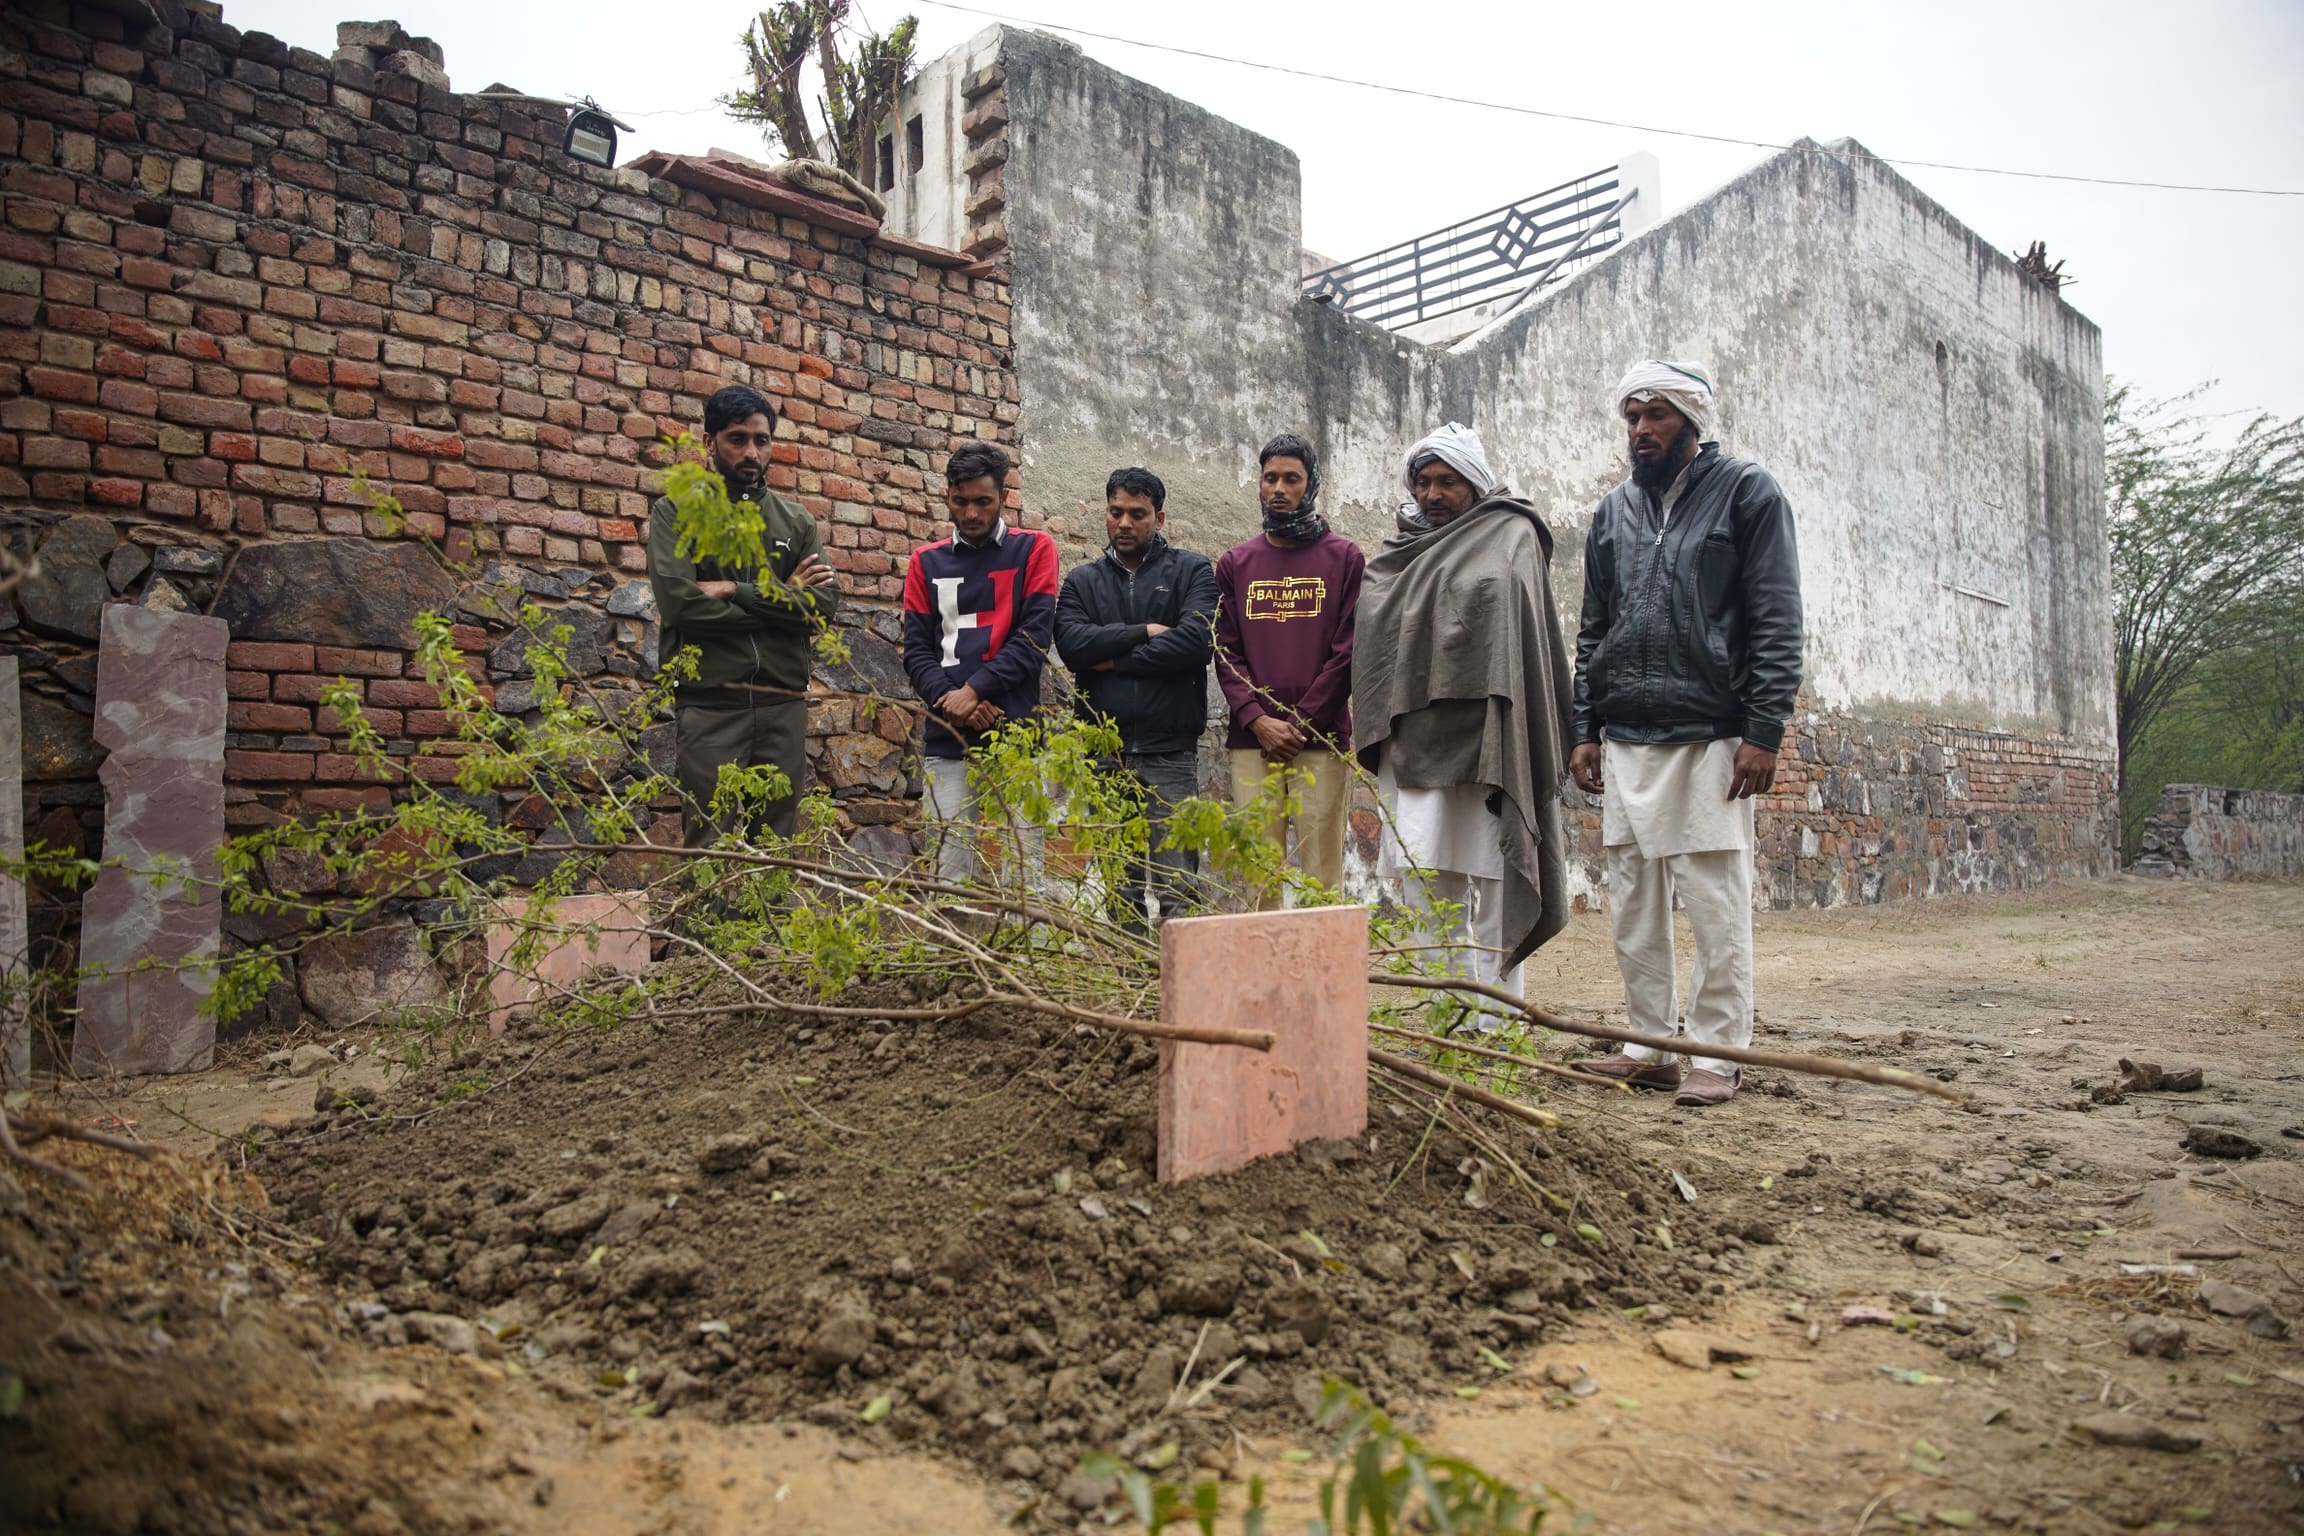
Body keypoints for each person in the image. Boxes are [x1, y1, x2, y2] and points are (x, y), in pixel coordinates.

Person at [1568, 361, 1804, 1106]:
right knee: (1634, 903)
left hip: (1712, 733)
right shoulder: (1612, 513)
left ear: (1691, 423)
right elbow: (1592, 629)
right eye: (1632, 417)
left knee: (1713, 898)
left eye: (1656, 416)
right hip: (1628, 734)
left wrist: (1763, 728)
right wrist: (1584, 726)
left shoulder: (1748, 493)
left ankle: (1716, 1048)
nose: (1641, 430)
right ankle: (1649, 1044)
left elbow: (1777, 617)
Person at [1353, 423, 1573, 1010]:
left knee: (1500, 874)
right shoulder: (1396, 555)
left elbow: (1516, 622)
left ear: (1473, 483)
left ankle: (1499, 1017)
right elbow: (1376, 632)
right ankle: (1446, 1009)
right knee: (1429, 878)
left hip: (1494, 736)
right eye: (1422, 482)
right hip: (1418, 741)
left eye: (1446, 482)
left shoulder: (1512, 534)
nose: (1431, 494)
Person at [649, 383, 839, 845]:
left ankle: (770, 919)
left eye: (761, 439)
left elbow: (821, 611)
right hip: (711, 705)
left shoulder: (796, 522)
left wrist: (738, 590)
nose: (751, 451)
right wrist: (781, 599)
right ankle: (700, 923)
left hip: (781, 705)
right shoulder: (676, 513)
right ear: (710, 442)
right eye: (737, 439)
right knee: (708, 843)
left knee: (774, 845)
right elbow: (681, 605)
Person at [1055, 467, 1219, 928]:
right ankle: (1132, 988)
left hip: (1169, 751)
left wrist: (1112, 659)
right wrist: (1142, 632)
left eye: (1137, 514)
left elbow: (1195, 641)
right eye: (1116, 512)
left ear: (1159, 518)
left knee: (1176, 885)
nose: (1124, 523)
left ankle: (1183, 989)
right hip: (1104, 752)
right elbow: (1072, 645)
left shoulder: (1192, 570)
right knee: (1119, 887)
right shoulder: (1082, 582)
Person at [1214, 433, 1364, 907]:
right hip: (1252, 742)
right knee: (1259, 872)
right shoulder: (1236, 564)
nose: (1279, 488)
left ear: (1311, 485)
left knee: (1323, 871)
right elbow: (1224, 649)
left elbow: (1348, 651)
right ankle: (1265, 978)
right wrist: (1257, 720)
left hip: (1319, 741)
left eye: (1291, 479)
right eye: (1270, 478)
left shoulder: (1345, 558)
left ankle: (1324, 978)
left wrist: (1298, 726)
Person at [902, 443, 1060, 883]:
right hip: (948, 732)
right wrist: (956, 701)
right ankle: (950, 954)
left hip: (1017, 734)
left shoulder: (1034, 550)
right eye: (960, 501)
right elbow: (916, 651)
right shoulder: (925, 562)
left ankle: (1030, 952)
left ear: (1004, 497)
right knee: (948, 873)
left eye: (983, 502)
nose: (971, 513)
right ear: (947, 495)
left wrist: (975, 691)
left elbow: (1033, 639)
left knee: (1025, 876)